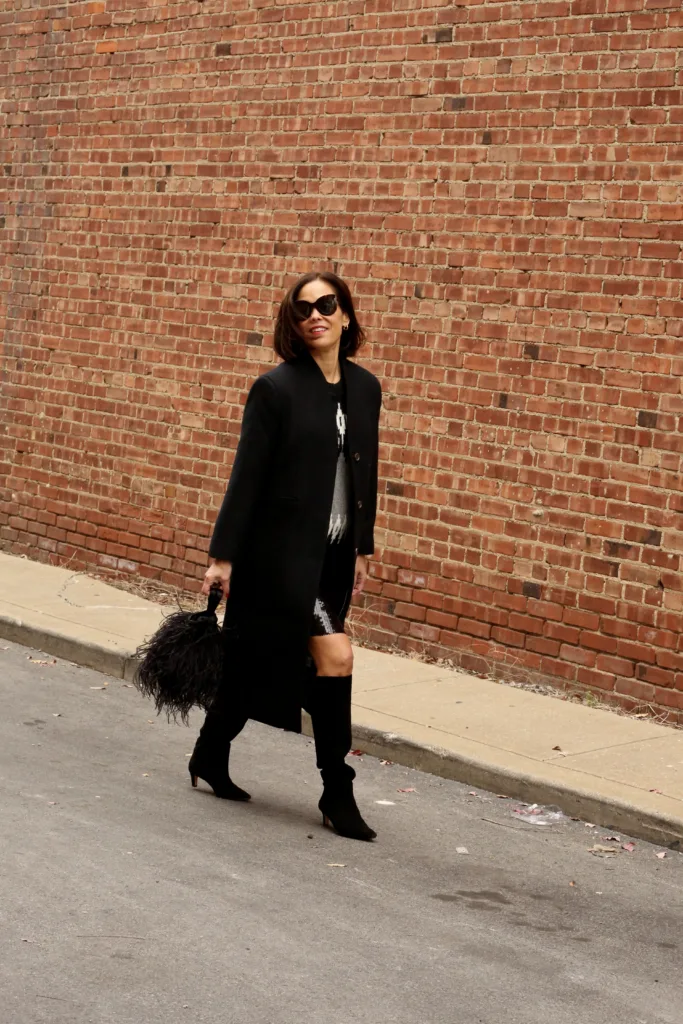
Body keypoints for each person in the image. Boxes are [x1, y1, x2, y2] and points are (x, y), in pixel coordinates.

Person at [188, 272, 382, 842]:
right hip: (278, 557)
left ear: (345, 314)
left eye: (327, 304)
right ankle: (336, 788)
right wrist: (223, 557)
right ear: (292, 323)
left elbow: (364, 472)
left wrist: (362, 547)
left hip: (334, 555)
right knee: (335, 656)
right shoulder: (275, 389)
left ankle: (208, 751)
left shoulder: (366, 388)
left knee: (257, 662)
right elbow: (245, 477)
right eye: (303, 310)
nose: (316, 315)